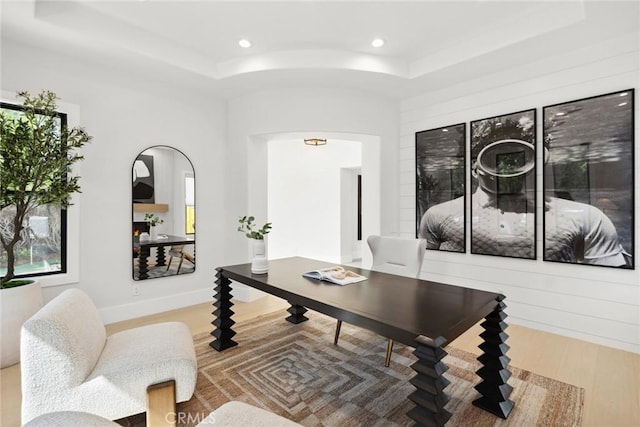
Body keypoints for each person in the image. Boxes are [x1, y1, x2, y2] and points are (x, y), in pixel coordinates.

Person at [419, 137, 629, 266]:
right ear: (475, 169)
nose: (509, 166)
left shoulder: (587, 217)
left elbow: (606, 281)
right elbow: (426, 269)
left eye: (520, 158)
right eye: (496, 158)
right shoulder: (439, 215)